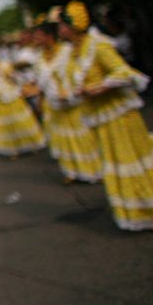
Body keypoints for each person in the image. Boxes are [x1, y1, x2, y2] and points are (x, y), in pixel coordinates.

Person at [58, 1, 153, 231]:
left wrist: (101, 86)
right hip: (101, 118)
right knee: (117, 165)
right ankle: (138, 212)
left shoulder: (98, 46)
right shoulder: (73, 52)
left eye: (62, 25)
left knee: (133, 160)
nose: (60, 30)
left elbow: (126, 73)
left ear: (74, 25)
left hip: (119, 116)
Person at [32, 19, 102, 184]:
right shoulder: (39, 59)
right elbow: (41, 84)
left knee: (84, 137)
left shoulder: (67, 51)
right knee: (63, 140)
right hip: (54, 105)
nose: (36, 40)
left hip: (73, 102)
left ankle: (94, 171)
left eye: (38, 36)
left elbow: (79, 73)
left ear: (49, 36)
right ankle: (71, 171)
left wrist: (70, 90)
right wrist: (40, 100)